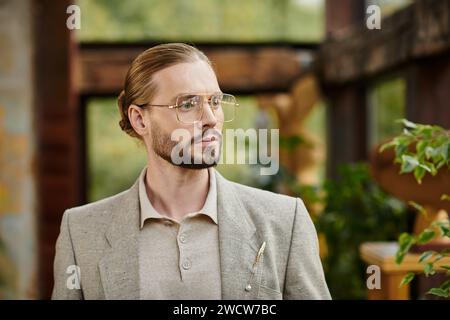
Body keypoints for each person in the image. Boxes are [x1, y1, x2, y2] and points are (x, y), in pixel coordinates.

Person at [52, 43, 330, 300]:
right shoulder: (80, 231)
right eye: (187, 104)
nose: (210, 119)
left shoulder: (285, 220)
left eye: (215, 102)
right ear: (139, 119)